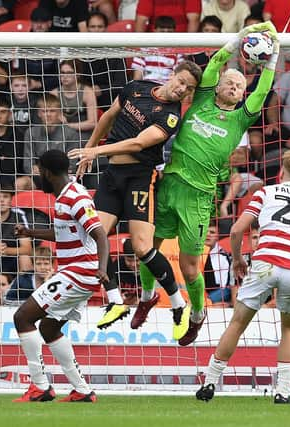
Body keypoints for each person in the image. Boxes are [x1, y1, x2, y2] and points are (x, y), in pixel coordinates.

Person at [136, 21, 279, 346]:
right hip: (169, 183)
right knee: (147, 248)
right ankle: (146, 296)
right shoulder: (200, 100)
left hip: (200, 197)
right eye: (229, 82)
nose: (234, 87)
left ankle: (198, 315)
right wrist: (238, 39)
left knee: (189, 267)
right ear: (216, 87)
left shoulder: (242, 116)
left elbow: (262, 89)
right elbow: (214, 63)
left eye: (239, 86)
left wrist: (272, 59)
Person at [67, 60, 202, 339]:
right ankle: (116, 300)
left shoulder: (170, 116)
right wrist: (90, 148)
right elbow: (107, 117)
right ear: (172, 75)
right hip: (113, 175)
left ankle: (178, 305)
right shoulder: (136, 87)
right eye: (181, 82)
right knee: (93, 240)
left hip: (140, 178)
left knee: (142, 247)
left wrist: (97, 152)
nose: (181, 89)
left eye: (188, 89)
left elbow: (139, 143)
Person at [195, 150, 290, 404]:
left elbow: (236, 229)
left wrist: (239, 260)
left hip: (265, 262)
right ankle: (283, 391)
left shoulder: (266, 192)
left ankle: (209, 383)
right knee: (289, 327)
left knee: (238, 323)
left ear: (281, 172)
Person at [12, 149, 110, 403]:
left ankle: (40, 387)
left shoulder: (76, 197)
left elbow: (99, 233)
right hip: (76, 272)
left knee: (22, 317)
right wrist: (30, 232)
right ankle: (82, 390)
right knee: (48, 326)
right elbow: (64, 234)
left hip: (79, 273)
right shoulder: (63, 197)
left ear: (46, 172)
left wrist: (102, 268)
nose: (37, 178)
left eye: (38, 172)